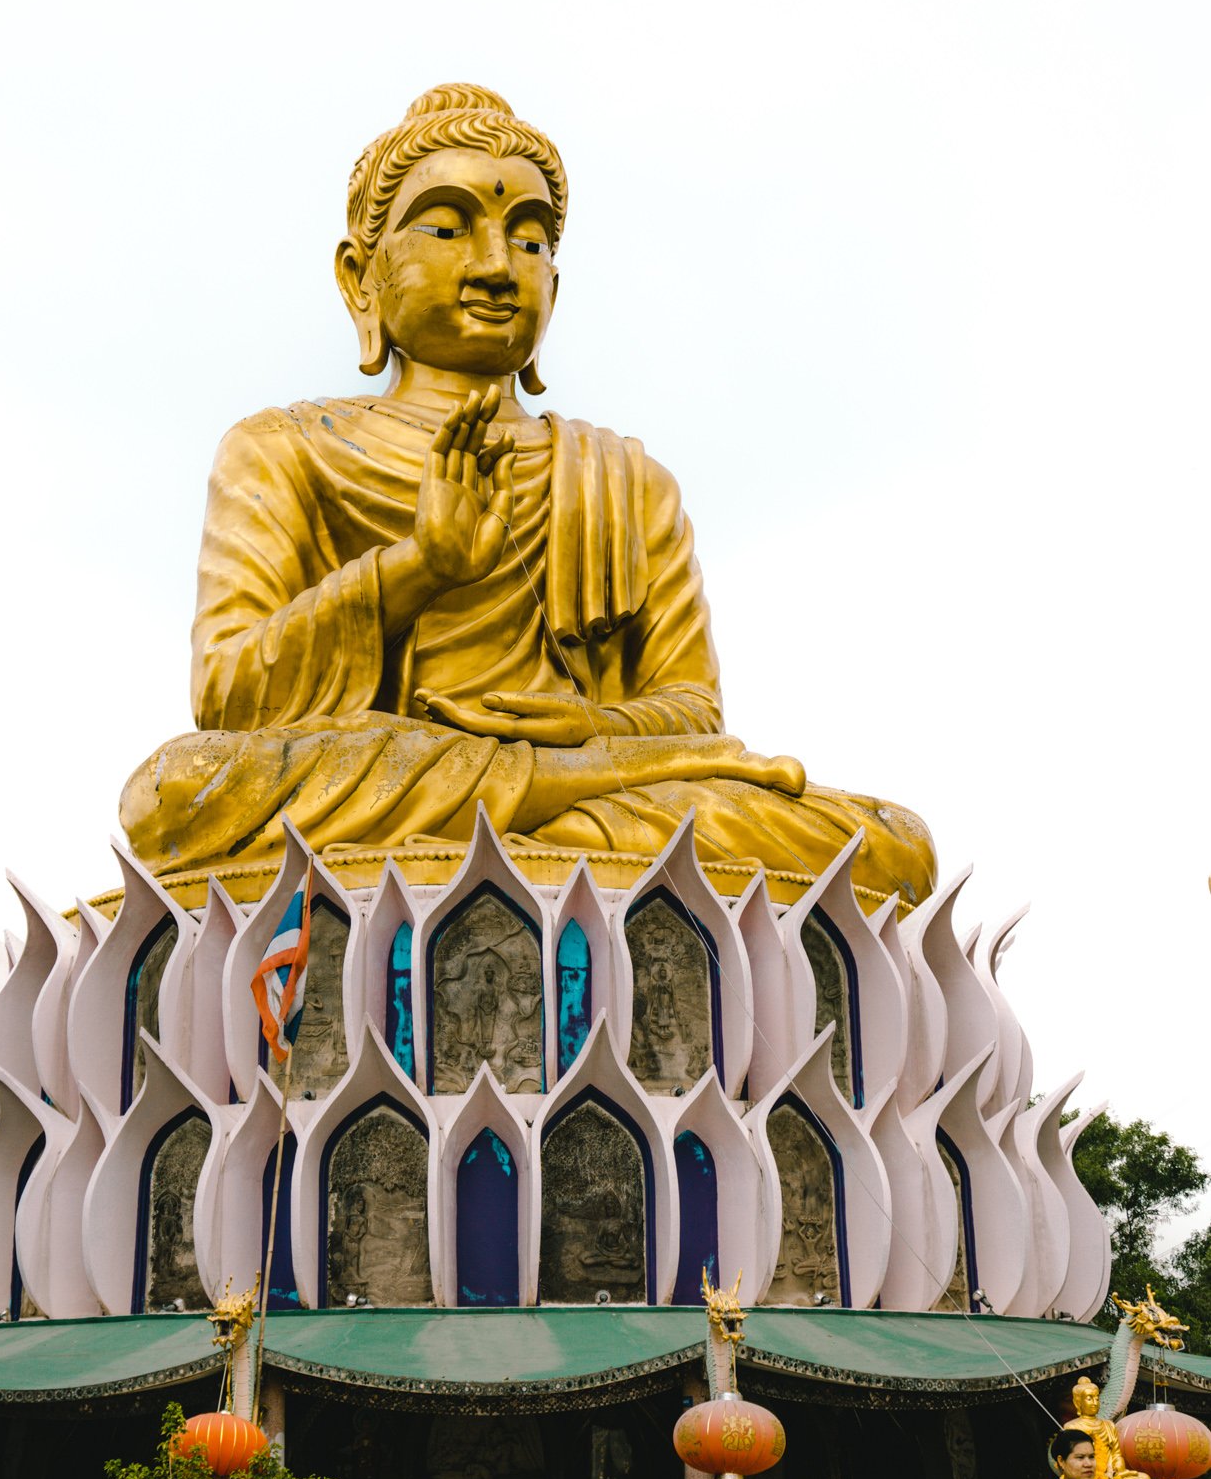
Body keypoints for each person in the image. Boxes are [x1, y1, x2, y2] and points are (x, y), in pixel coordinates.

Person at [121, 83, 936, 911]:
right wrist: (418, 567)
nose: (493, 265)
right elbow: (229, 695)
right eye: (445, 228)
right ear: (359, 278)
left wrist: (592, 732)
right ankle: (541, 807)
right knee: (173, 792)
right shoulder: (284, 446)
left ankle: (527, 808)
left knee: (889, 845)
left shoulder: (622, 475)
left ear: (556, 280)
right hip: (401, 772)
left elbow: (691, 711)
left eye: (530, 239)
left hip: (550, 794)